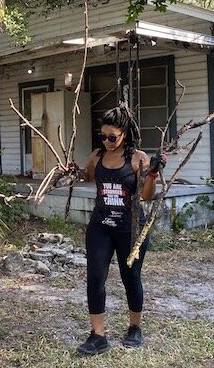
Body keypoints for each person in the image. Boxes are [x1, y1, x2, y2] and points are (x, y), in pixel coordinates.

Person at [76, 105, 166, 356]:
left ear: (125, 133)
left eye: (112, 137)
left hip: (130, 227)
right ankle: (98, 335)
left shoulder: (138, 158)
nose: (107, 142)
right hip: (101, 226)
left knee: (131, 277)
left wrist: (152, 175)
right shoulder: (96, 155)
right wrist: (72, 172)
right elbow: (89, 177)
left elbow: (146, 197)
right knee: (95, 277)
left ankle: (134, 328)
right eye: (103, 137)